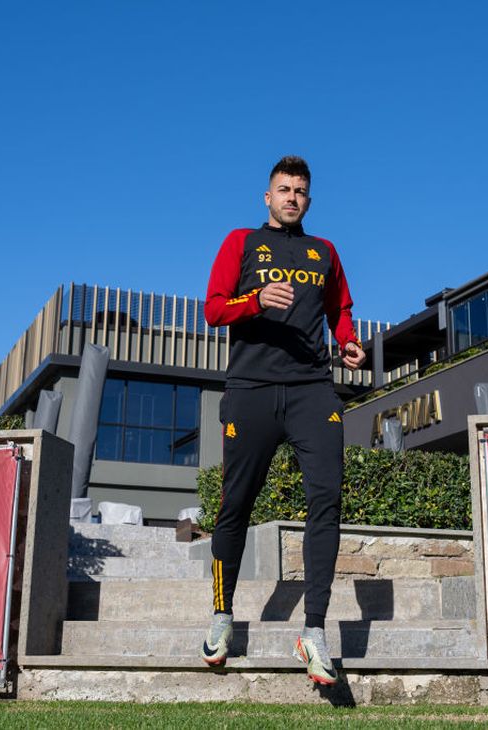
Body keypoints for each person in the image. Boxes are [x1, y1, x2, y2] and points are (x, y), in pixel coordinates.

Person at [200, 156, 365, 685]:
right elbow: (213, 308)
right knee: (236, 503)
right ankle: (223, 617)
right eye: (283, 189)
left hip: (313, 390)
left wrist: (348, 342)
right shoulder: (240, 242)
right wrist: (255, 299)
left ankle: (314, 631)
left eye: (300, 191)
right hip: (250, 390)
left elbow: (339, 309)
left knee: (328, 499)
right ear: (266, 198)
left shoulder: (325, 252)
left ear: (309, 201)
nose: (291, 197)